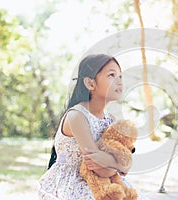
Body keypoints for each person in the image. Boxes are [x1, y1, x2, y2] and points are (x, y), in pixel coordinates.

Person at [38, 54, 145, 199]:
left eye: (120, 76)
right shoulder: (77, 116)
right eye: (112, 75)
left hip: (105, 181)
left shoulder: (109, 119)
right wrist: (117, 164)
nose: (119, 81)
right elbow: (96, 165)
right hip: (74, 181)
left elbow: (124, 163)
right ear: (90, 83)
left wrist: (113, 163)